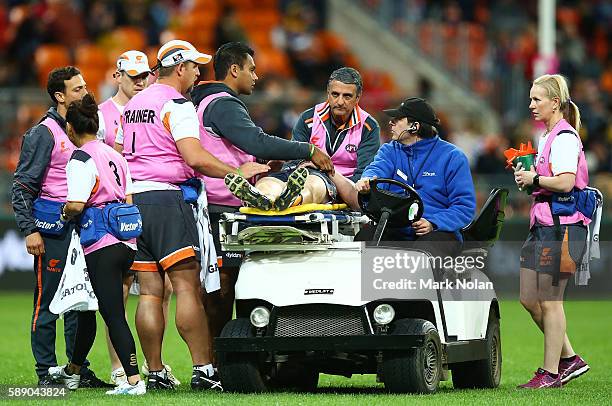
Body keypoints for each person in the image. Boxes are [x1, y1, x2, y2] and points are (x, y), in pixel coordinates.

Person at [115, 39, 268, 391]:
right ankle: (204, 370)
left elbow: (121, 151)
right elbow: (195, 157)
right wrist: (235, 172)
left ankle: (155, 373)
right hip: (169, 201)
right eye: (195, 66)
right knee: (186, 288)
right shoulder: (177, 104)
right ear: (180, 67)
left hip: (135, 201)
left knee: (150, 293)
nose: (199, 72)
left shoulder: (135, 103)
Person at [189, 41, 333, 341]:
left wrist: (258, 161)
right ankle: (214, 361)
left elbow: (239, 149)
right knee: (222, 285)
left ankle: (217, 357)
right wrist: (307, 149)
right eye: (251, 70)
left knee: (224, 283)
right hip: (221, 204)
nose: (256, 76)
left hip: (217, 202)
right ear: (234, 69)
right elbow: (256, 140)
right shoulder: (222, 103)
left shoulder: (207, 101)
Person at [11, 66, 110, 388]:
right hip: (52, 229)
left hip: (83, 227)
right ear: (60, 96)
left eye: (84, 86)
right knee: (49, 302)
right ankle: (46, 372)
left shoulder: (81, 129)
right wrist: (30, 229)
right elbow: (23, 185)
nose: (85, 93)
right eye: (77, 89)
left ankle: (75, 370)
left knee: (80, 302)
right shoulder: (44, 133)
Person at [47, 94, 145, 395]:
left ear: (70, 128)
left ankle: (133, 380)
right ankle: (73, 371)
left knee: (112, 312)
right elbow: (128, 198)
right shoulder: (115, 155)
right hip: (125, 239)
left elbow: (76, 203)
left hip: (99, 241)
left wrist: (63, 213)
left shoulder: (80, 157)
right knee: (92, 309)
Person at [97, 50, 179, 388]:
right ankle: (119, 365)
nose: (141, 81)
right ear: (117, 77)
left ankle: (151, 362)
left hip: (144, 203)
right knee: (119, 288)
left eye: (145, 75)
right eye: (133, 76)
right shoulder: (102, 115)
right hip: (114, 211)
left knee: (163, 286)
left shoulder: (153, 106)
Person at [514, 74, 590, 389]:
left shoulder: (564, 138)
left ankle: (549, 373)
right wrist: (529, 176)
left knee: (550, 300)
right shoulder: (547, 137)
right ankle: (571, 359)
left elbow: (565, 182)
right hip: (545, 225)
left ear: (555, 102)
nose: (531, 105)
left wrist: (534, 179)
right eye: (531, 99)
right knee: (529, 298)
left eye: (537, 99)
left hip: (564, 228)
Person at [225, 66, 380, 210]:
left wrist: (329, 174)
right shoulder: (309, 118)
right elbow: (294, 160)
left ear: (358, 97)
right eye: (335, 94)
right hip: (300, 172)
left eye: (347, 96)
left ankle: (291, 200)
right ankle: (264, 197)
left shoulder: (368, 127)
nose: (340, 101)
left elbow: (362, 177)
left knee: (314, 183)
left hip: (336, 184)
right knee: (269, 181)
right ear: (328, 93)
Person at [353, 97, 476, 259]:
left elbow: (464, 206)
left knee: (425, 252)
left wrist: (434, 223)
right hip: (396, 226)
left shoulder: (453, 157)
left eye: (397, 120)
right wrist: (367, 179)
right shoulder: (389, 150)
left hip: (438, 231)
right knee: (364, 239)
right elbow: (377, 169)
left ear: (414, 126)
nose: (391, 123)